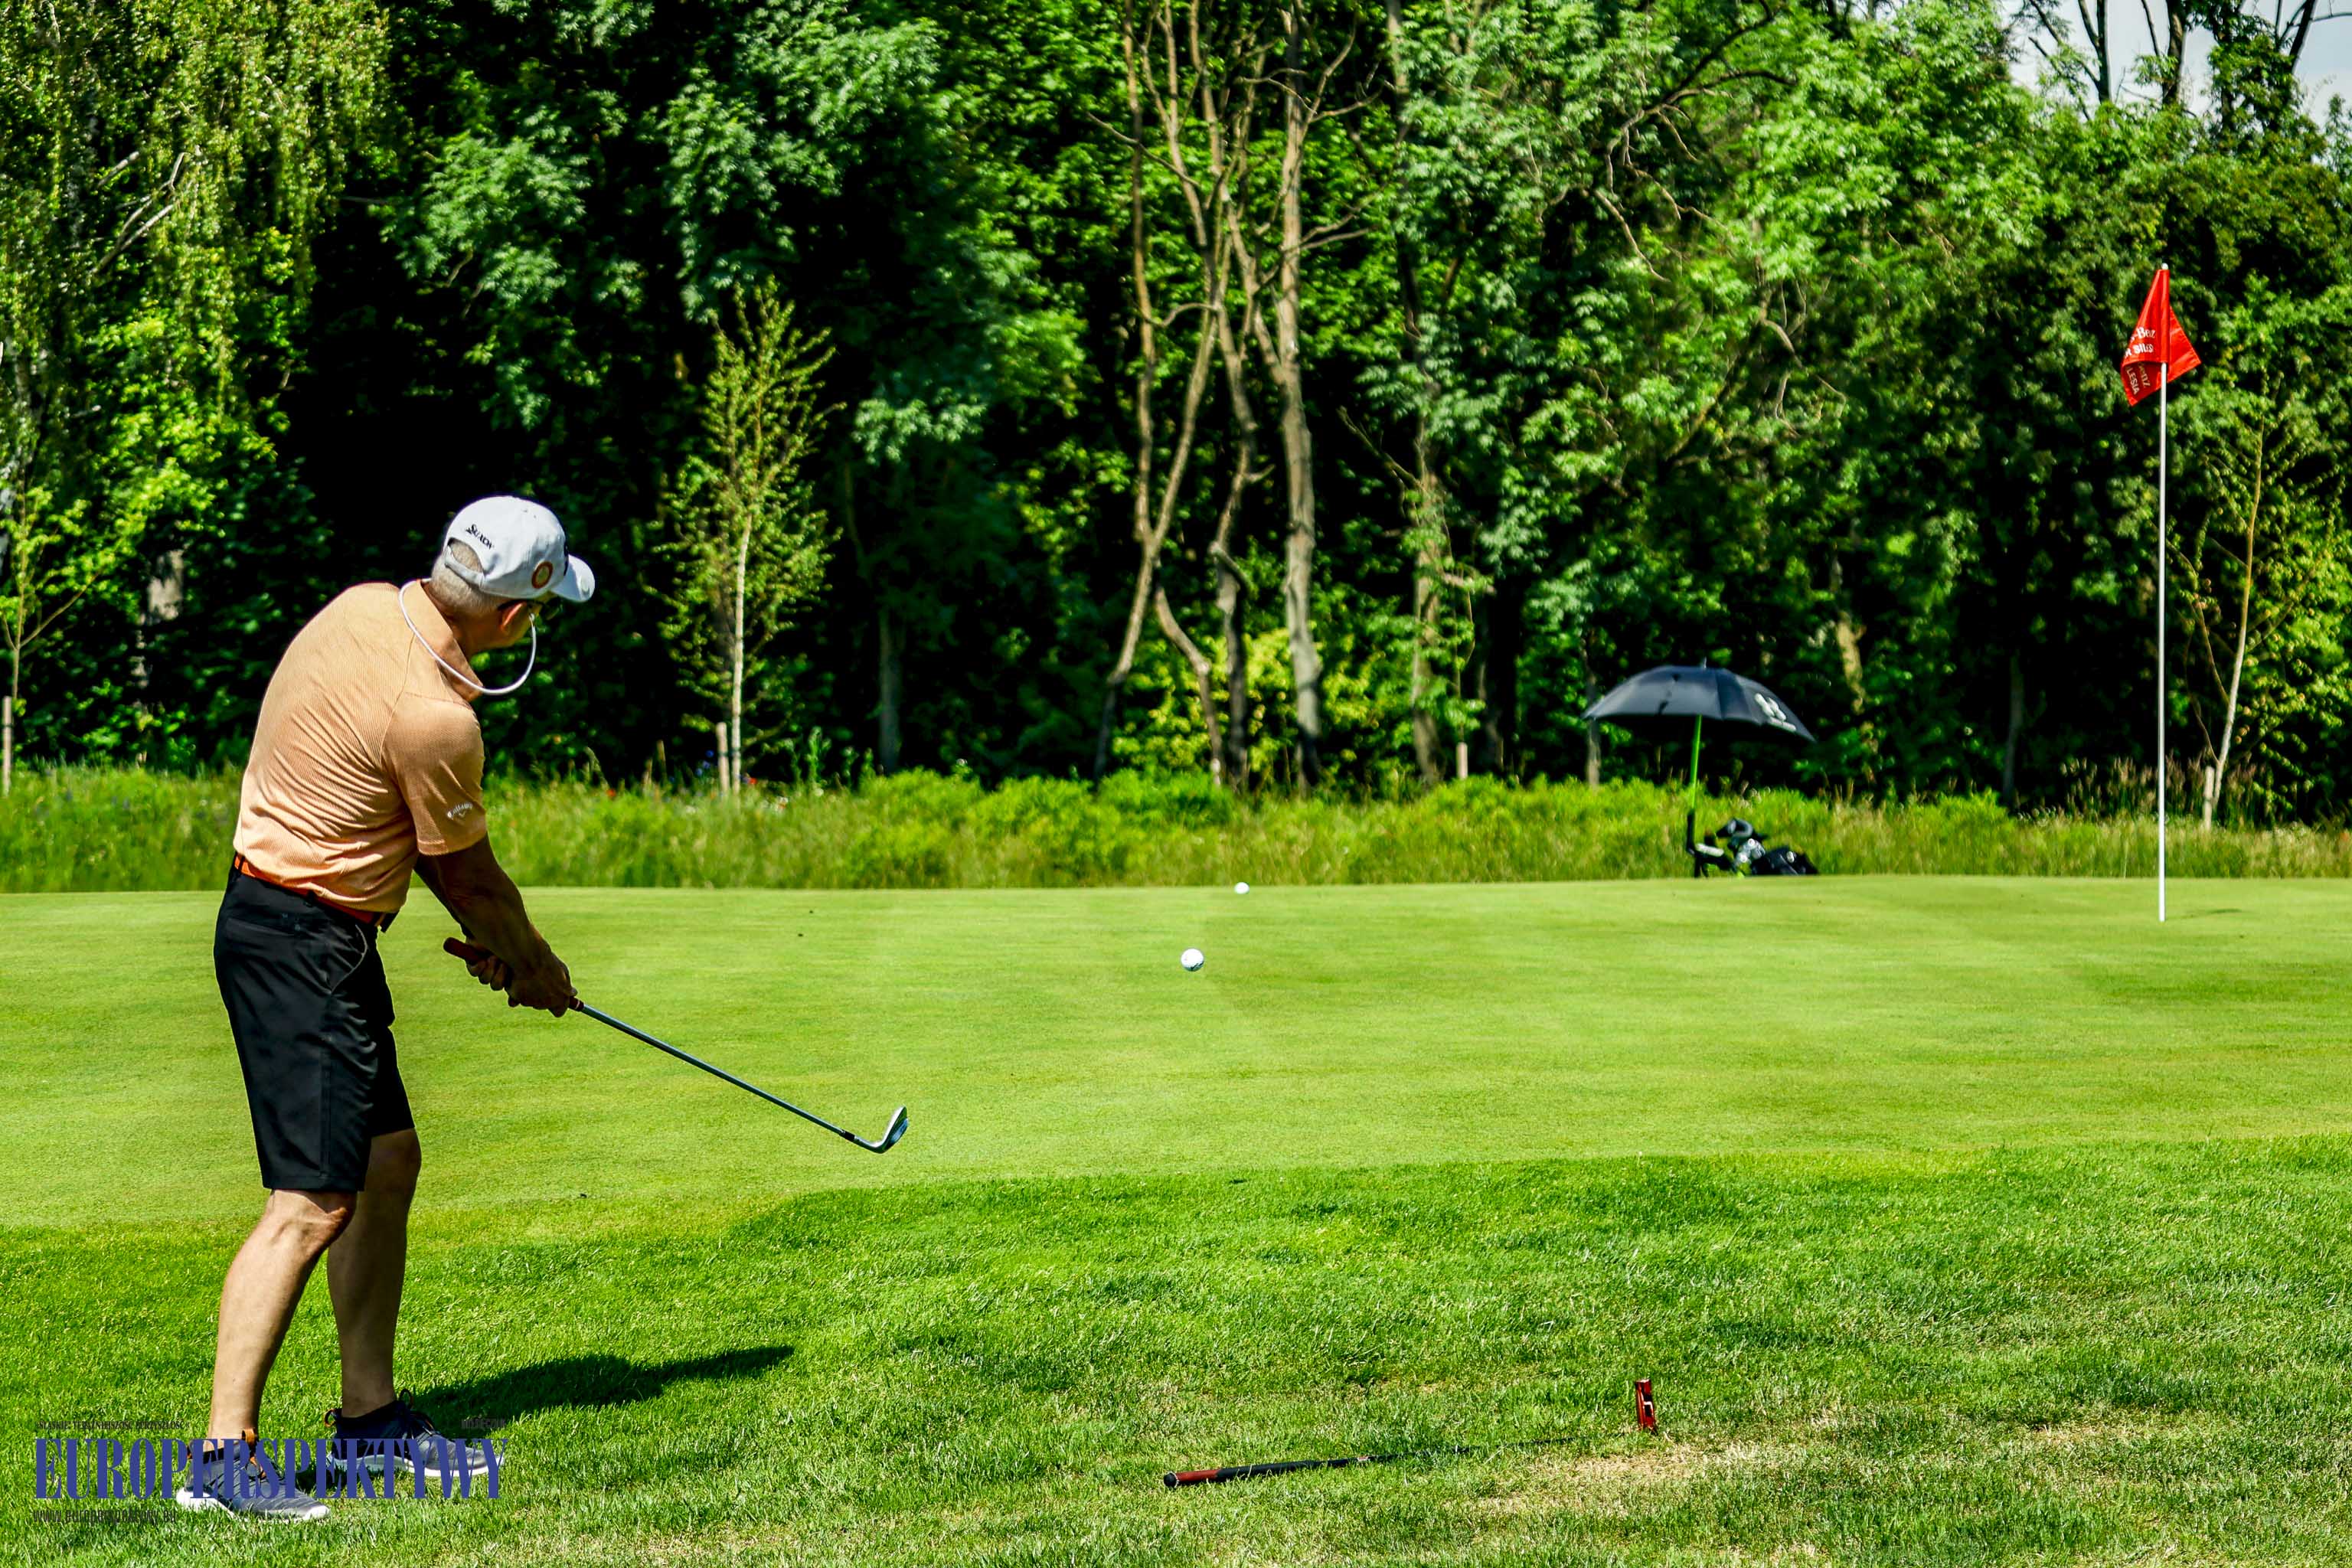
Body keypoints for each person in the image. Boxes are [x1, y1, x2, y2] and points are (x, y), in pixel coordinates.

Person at [177, 497, 593, 1520]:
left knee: (385, 1160)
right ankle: (221, 1457)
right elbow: (474, 883)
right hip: (300, 942)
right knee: (312, 1202)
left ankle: (369, 1418)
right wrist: (533, 966)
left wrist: (498, 946)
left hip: (300, 922)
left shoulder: (363, 606)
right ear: (511, 618)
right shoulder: (438, 717)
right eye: (540, 614)